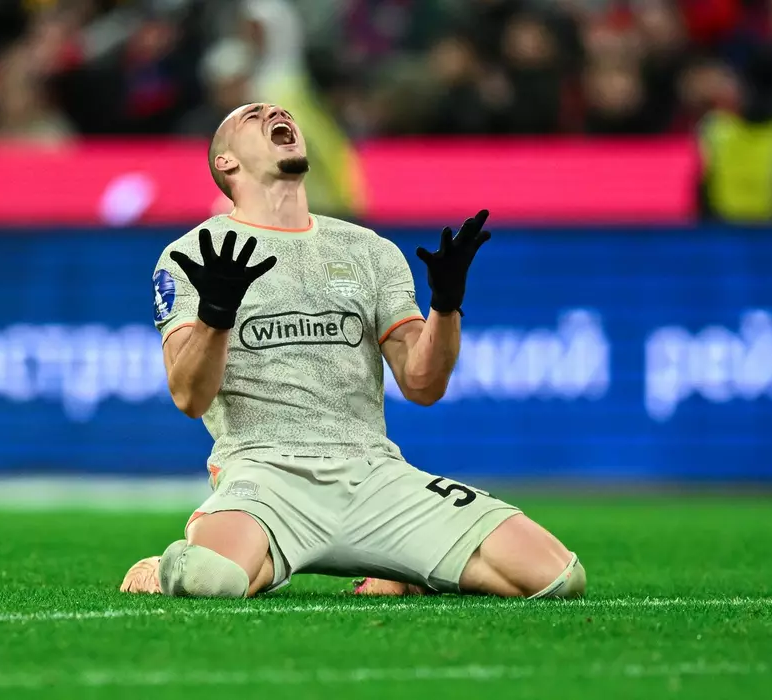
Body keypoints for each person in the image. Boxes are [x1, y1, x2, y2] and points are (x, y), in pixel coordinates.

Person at [120, 103, 585, 600]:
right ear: (226, 162)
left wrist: (446, 306)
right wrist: (215, 314)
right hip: (264, 475)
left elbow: (423, 384)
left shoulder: (368, 249)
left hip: (373, 473)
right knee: (206, 580)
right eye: (253, 116)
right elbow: (189, 396)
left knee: (557, 578)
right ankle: (168, 567)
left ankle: (389, 566)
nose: (275, 112)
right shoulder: (193, 255)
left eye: (279, 111)